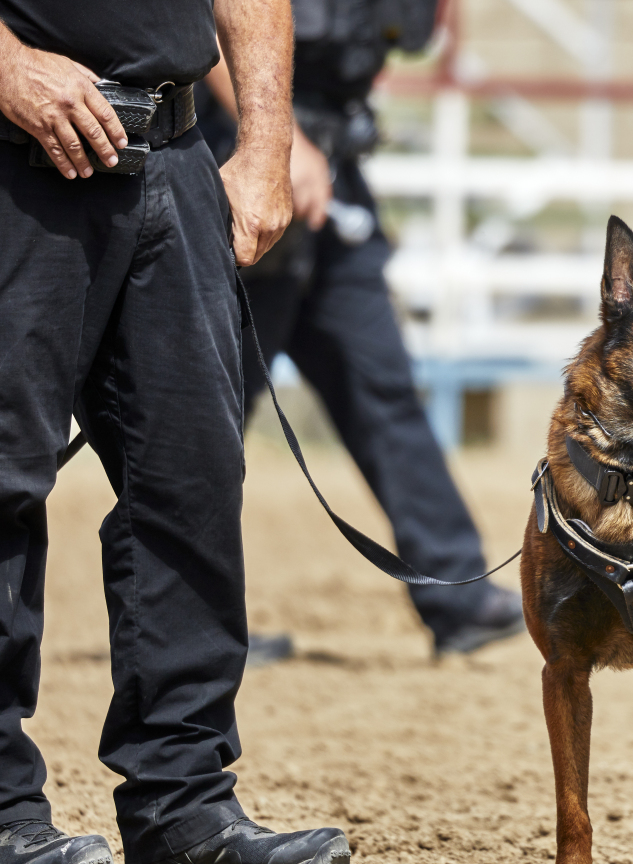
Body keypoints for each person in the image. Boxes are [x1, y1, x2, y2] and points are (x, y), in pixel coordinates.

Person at [0, 2, 351, 864]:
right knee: (2, 484)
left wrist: (267, 143)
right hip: (16, 161)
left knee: (191, 482)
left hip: (173, 157)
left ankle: (184, 805)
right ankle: (5, 809)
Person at [195, 0, 524, 658]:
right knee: (209, 406)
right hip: (250, 159)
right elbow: (200, 28)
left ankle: (456, 592)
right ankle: (190, 623)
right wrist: (276, 142)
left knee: (382, 385)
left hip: (333, 173)